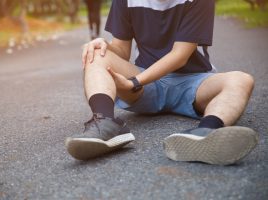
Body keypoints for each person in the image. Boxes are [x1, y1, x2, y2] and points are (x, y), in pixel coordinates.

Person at [65, 0, 259, 165]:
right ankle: (105, 124)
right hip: (146, 83)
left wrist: (135, 82)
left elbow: (179, 56)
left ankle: (207, 131)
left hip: (192, 83)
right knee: (96, 54)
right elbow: (121, 51)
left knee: (241, 79)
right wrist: (103, 45)